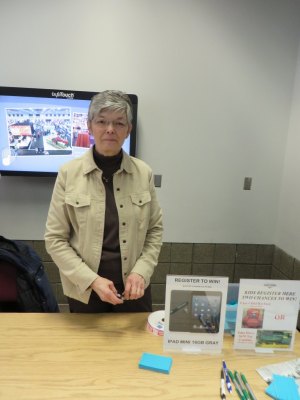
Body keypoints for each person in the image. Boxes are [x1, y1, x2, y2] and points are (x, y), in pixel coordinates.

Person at [44, 90, 163, 313]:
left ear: (129, 129)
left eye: (119, 123)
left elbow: (154, 231)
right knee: (88, 348)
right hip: (87, 291)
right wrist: (92, 280)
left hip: (135, 290)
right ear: (89, 126)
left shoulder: (143, 173)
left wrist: (141, 272)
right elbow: (55, 240)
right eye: (102, 121)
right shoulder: (68, 174)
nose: (110, 129)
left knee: (135, 348)